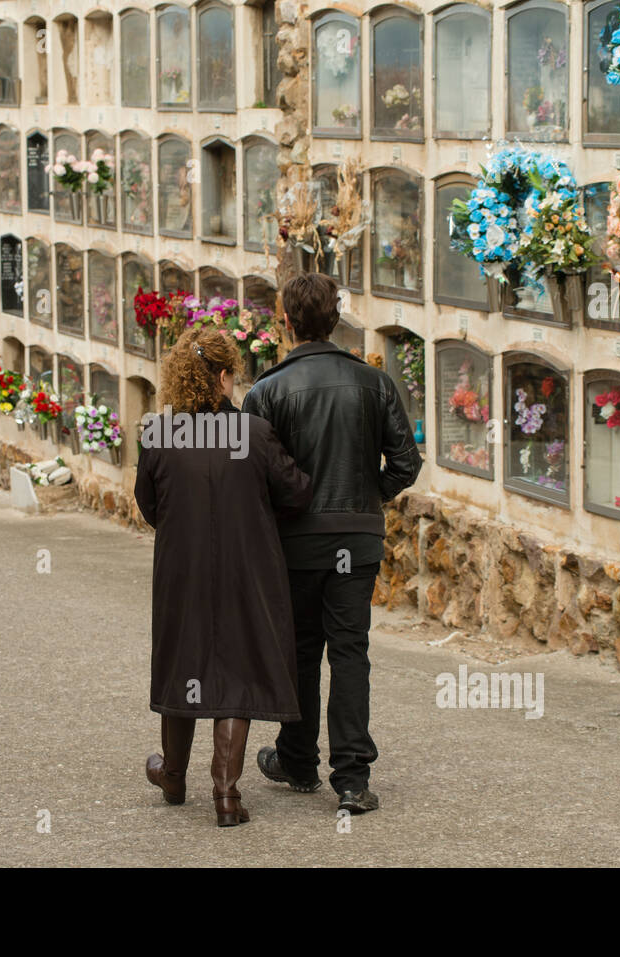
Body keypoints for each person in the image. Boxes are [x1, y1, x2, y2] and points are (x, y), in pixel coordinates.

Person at [243, 272, 422, 815]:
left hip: (296, 544)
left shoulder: (267, 390)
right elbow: (407, 463)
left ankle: (297, 761)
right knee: (350, 652)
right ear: (336, 317)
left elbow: (252, 477)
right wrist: (370, 495)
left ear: (287, 321)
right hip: (358, 539)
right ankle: (351, 780)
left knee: (300, 650)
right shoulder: (376, 382)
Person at [135, 327, 313, 827]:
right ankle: (227, 796)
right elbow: (296, 492)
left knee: (182, 663)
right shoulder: (253, 433)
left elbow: (149, 506)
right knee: (235, 670)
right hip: (245, 570)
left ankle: (172, 775)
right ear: (221, 376)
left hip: (181, 572)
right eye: (232, 373)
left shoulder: (160, 434)